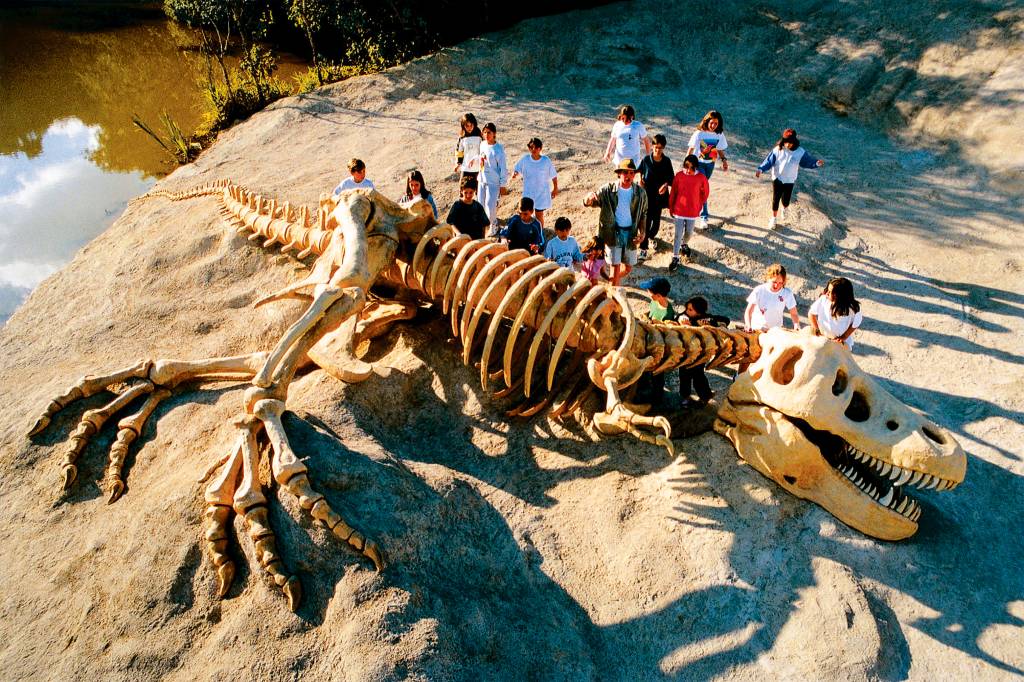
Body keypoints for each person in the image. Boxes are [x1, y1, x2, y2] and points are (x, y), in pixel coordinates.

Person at [583, 159, 648, 287]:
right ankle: (613, 296)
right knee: (615, 267)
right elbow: (590, 201)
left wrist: (643, 232)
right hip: (612, 234)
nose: (628, 176)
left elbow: (643, 214)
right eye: (625, 172)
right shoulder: (608, 190)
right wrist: (588, 199)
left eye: (631, 173)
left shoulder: (640, 193)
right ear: (619, 174)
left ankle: (612, 281)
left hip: (631, 234)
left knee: (628, 268)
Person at [755, 128, 825, 229]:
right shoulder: (778, 149)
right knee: (775, 199)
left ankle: (785, 209)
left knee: (786, 200)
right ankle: (774, 219)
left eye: (790, 142)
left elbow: (807, 162)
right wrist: (760, 169)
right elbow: (769, 161)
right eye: (786, 141)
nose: (787, 144)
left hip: (789, 180)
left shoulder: (800, 152)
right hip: (777, 178)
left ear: (794, 141)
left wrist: (816, 163)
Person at [677, 296, 729, 406]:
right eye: (687, 308)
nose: (687, 311)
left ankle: (705, 396)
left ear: (699, 312)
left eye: (691, 309)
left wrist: (707, 325)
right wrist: (681, 319)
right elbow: (678, 317)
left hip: (700, 354)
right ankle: (685, 397)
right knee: (684, 376)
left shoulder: (706, 319)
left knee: (698, 376)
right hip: (686, 353)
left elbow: (725, 320)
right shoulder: (685, 317)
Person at [667, 154, 710, 273]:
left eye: (692, 168)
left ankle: (684, 244)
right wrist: (671, 206)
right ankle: (675, 257)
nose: (689, 170)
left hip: (692, 211)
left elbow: (705, 193)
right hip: (679, 211)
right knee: (677, 234)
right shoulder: (679, 176)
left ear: (696, 167)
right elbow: (674, 192)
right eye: (686, 166)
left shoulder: (701, 178)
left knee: (689, 232)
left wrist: (699, 204)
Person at [686, 110, 729, 229]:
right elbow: (691, 149)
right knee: (703, 189)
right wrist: (686, 163)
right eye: (711, 123)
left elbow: (719, 148)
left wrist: (724, 160)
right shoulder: (699, 133)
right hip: (698, 164)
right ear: (707, 121)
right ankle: (704, 217)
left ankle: (693, 206)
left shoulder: (719, 134)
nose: (713, 125)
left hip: (710, 164)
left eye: (716, 123)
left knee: (699, 189)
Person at [637, 133, 674, 260]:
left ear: (663, 148)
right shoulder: (646, 160)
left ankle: (651, 237)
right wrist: (640, 179)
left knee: (656, 224)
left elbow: (671, 179)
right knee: (646, 223)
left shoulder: (667, 161)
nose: (658, 150)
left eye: (660, 147)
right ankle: (643, 248)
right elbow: (640, 171)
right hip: (647, 196)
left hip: (659, 198)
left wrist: (665, 184)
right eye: (656, 147)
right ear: (652, 146)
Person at [511, 137, 558, 227]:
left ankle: (540, 234)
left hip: (541, 193)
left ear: (540, 148)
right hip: (528, 193)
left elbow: (554, 175)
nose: (534, 149)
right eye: (531, 147)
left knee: (539, 215)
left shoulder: (546, 161)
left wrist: (555, 188)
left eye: (536, 147)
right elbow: (517, 168)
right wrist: (515, 173)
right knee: (526, 214)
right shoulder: (525, 159)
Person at [744, 263, 801, 332]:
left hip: (776, 331)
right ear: (768, 278)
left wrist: (796, 325)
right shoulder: (759, 290)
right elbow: (748, 311)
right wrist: (748, 325)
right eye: (774, 282)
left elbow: (794, 313)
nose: (777, 285)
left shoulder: (787, 293)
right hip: (757, 329)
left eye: (780, 283)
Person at [809, 277, 862, 350]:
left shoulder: (853, 309)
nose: (827, 293)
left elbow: (856, 323)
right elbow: (811, 313)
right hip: (822, 338)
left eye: (830, 292)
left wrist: (844, 336)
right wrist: (816, 329)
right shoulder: (823, 300)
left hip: (839, 342)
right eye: (828, 290)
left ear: (839, 295)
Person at [479, 122, 509, 233]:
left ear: (494, 133)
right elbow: (481, 157)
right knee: (481, 203)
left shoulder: (498, 149)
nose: (487, 134)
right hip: (482, 179)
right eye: (485, 132)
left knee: (489, 204)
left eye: (489, 132)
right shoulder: (482, 144)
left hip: (493, 182)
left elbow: (503, 168)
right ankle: (483, 224)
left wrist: (503, 184)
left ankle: (494, 224)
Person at [453, 113, 484, 181]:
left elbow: (483, 151)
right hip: (465, 167)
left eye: (471, 125)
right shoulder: (462, 137)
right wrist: (458, 164)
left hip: (478, 168)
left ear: (474, 124)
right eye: (467, 126)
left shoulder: (479, 136)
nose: (469, 128)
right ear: (463, 125)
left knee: (477, 189)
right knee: (462, 188)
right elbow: (459, 151)